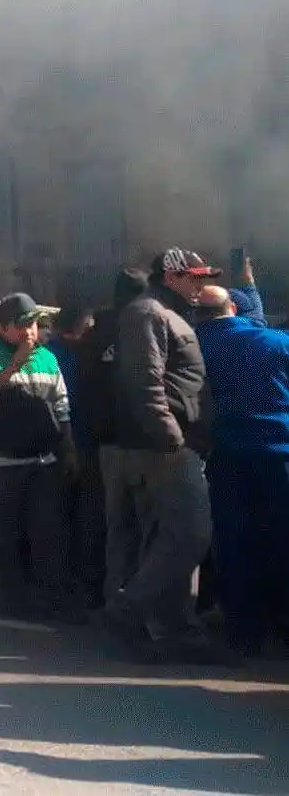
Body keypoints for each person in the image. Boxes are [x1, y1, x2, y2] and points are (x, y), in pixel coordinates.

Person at [104, 248, 231, 664]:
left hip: (173, 445)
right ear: (171, 276)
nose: (200, 285)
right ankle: (129, 608)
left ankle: (177, 631)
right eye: (194, 277)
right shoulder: (149, 313)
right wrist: (172, 440)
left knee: (171, 537)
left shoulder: (166, 313)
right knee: (191, 535)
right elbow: (144, 383)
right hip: (167, 449)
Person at [0, 293, 84, 622]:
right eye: (22, 324)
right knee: (1, 535)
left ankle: (50, 597)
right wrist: (14, 365)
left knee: (47, 531)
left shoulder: (47, 359)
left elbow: (61, 404)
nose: (30, 331)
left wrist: (68, 447)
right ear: (2, 327)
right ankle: (11, 597)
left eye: (34, 324)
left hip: (40, 462)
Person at [195, 284, 289, 657]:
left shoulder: (196, 345)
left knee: (235, 541)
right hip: (279, 454)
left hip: (227, 455)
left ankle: (243, 630)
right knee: (280, 537)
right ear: (232, 308)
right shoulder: (276, 343)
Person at [84, 268, 149, 603]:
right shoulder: (147, 326)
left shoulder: (95, 334)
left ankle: (110, 595)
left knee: (113, 524)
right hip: (142, 441)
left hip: (104, 441)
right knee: (145, 525)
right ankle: (137, 601)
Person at [50, 305, 106, 607]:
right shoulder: (75, 355)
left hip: (55, 445)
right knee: (82, 515)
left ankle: (62, 578)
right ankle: (76, 580)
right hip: (77, 443)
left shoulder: (47, 353)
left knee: (61, 515)